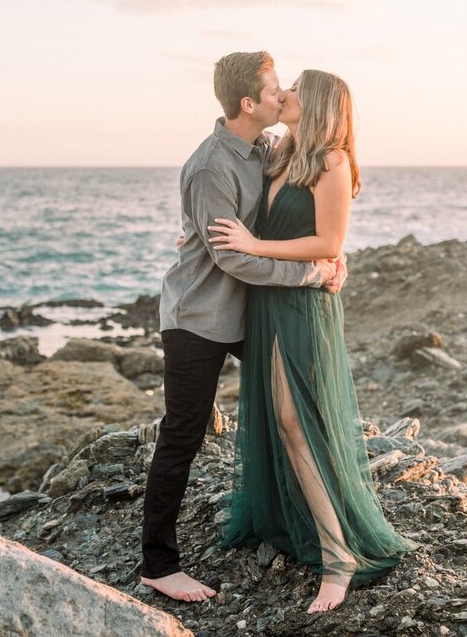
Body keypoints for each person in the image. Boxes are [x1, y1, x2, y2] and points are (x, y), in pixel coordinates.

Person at [208, 69, 419, 613]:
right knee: (281, 420)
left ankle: (338, 556)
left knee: (298, 421)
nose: (287, 93)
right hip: (268, 299)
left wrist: (257, 244)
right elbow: (229, 180)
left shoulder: (332, 160)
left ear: (320, 101)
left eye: (297, 86)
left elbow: (329, 240)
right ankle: (298, 524)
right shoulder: (280, 153)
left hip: (302, 304)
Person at [140, 51, 347, 603]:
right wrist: (310, 272)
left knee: (294, 413)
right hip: (201, 317)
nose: (284, 96)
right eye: (277, 89)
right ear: (248, 103)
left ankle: (314, 530)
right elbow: (233, 258)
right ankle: (158, 564)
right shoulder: (211, 165)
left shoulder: (266, 149)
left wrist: (332, 255)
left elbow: (306, 217)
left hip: (253, 312)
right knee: (183, 432)